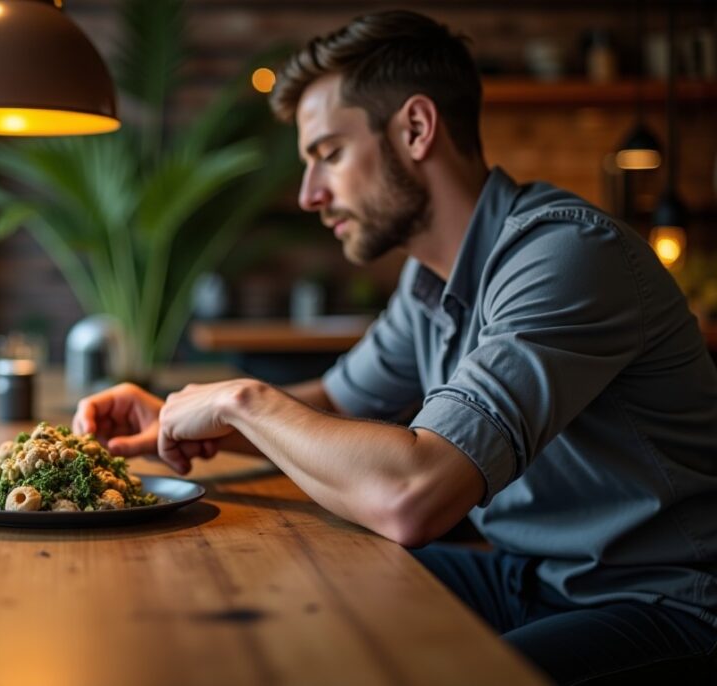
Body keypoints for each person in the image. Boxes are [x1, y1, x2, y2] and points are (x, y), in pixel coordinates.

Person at [72, 10, 717, 685]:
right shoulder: (429, 283)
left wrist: (242, 400)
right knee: (288, 594)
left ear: (415, 128)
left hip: (662, 608)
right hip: (528, 577)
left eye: (327, 153)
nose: (309, 194)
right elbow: (332, 406)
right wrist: (177, 415)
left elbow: (413, 496)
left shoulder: (565, 256)